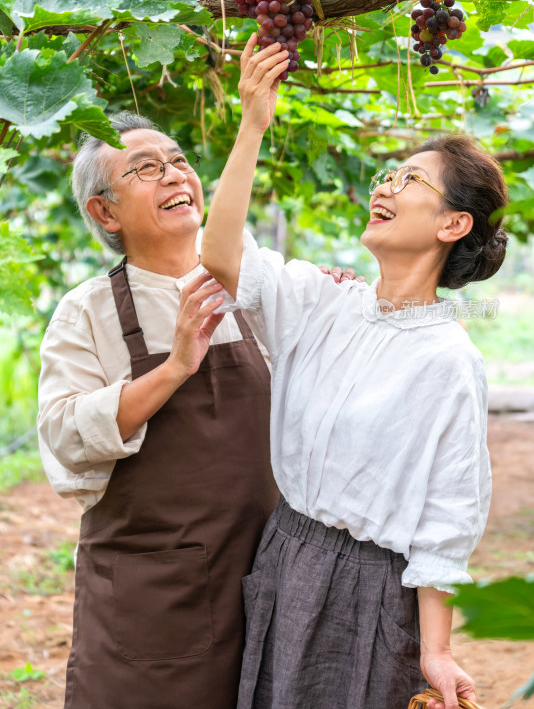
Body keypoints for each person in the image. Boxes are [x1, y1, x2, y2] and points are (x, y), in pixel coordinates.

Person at [201, 35, 508, 709]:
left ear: (453, 223)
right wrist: (252, 123)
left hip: (368, 588)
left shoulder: (449, 361)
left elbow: (445, 517)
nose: (385, 185)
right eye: (387, 174)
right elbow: (222, 253)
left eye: (409, 179)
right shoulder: (321, 301)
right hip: (282, 551)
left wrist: (436, 650)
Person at [37, 111, 355, 709]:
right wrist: (176, 364)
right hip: (154, 597)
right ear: (104, 212)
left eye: (178, 160)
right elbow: (65, 436)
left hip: (270, 575)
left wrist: (333, 300)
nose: (173, 174)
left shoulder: (258, 291)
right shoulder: (88, 312)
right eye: (146, 168)